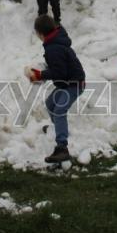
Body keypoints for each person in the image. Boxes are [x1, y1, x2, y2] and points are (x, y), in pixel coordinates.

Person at [24, 15, 86, 163]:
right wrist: (43, 73)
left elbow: (59, 73)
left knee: (59, 110)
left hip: (74, 84)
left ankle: (62, 147)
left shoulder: (53, 48)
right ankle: (57, 130)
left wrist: (40, 75)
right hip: (66, 82)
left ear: (39, 33)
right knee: (51, 104)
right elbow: (58, 69)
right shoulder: (57, 40)